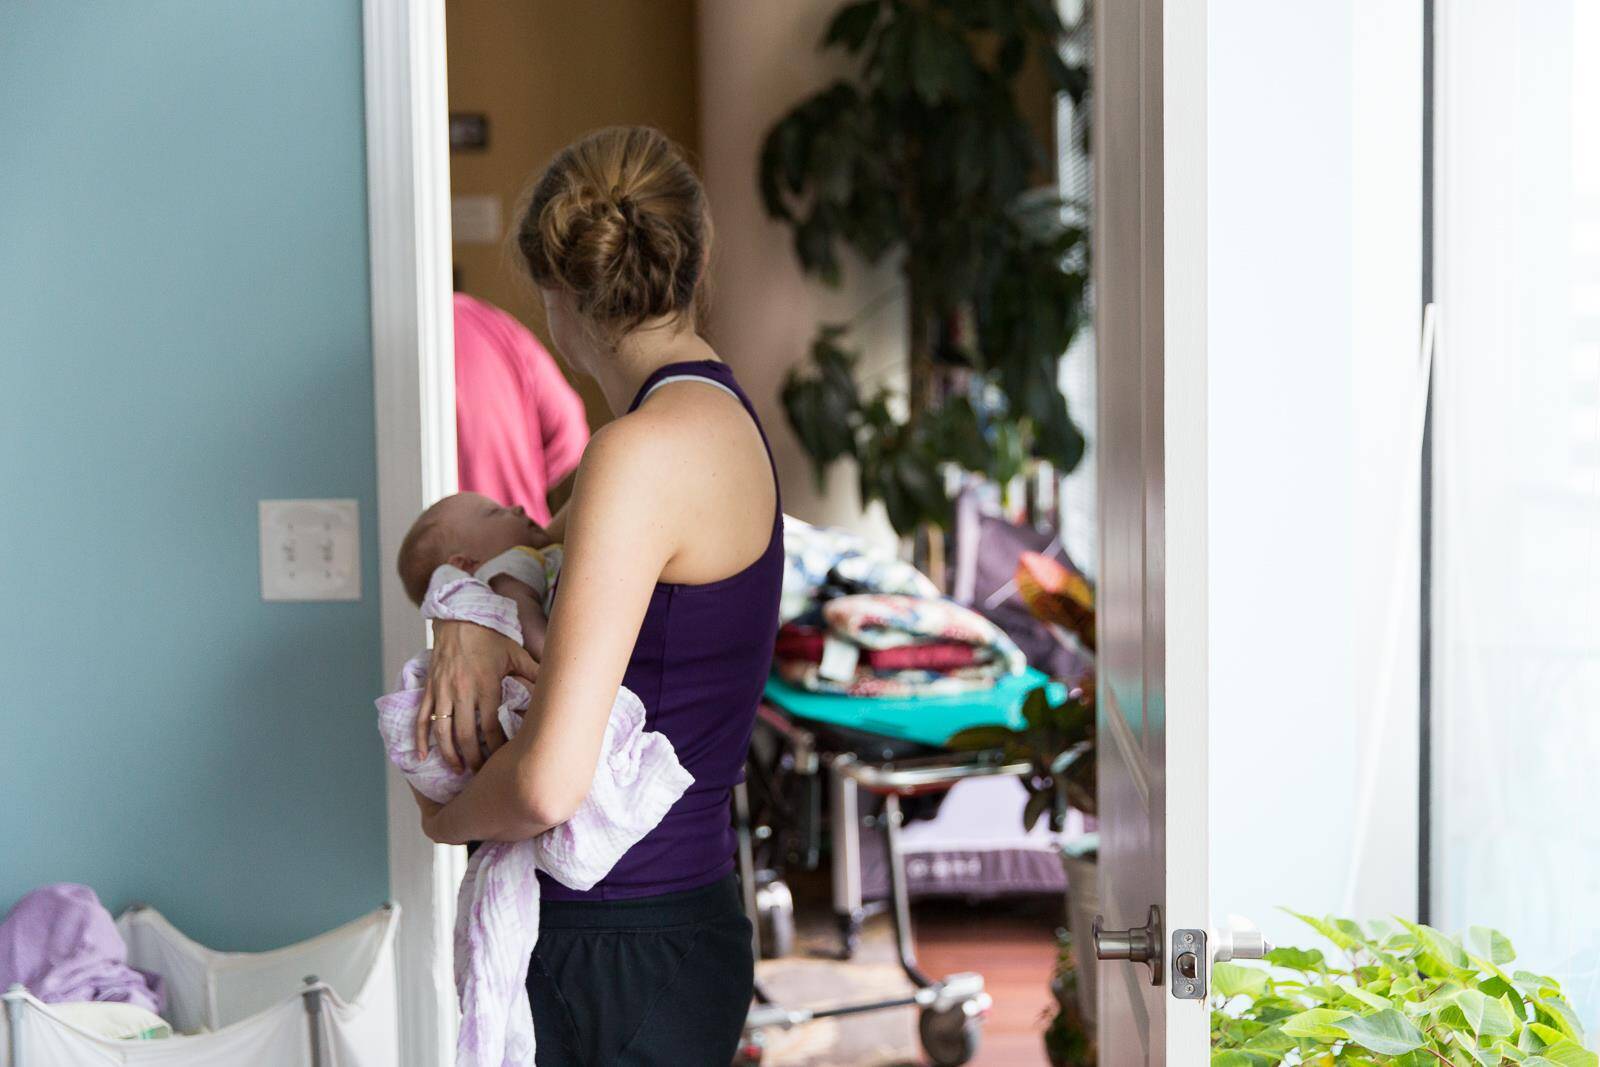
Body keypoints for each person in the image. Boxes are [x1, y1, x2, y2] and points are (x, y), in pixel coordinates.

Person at [410, 125, 779, 1065]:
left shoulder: (634, 454)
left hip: (615, 948)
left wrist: (443, 819)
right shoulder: (718, 414)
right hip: (680, 924)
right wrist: (469, 608)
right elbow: (533, 551)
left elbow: (544, 783)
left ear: (559, 295)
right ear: (692, 262)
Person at [454, 290, 590, 524]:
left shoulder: (380, 340)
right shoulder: (487, 321)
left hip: (449, 544)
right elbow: (571, 432)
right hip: (523, 534)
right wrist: (525, 480)